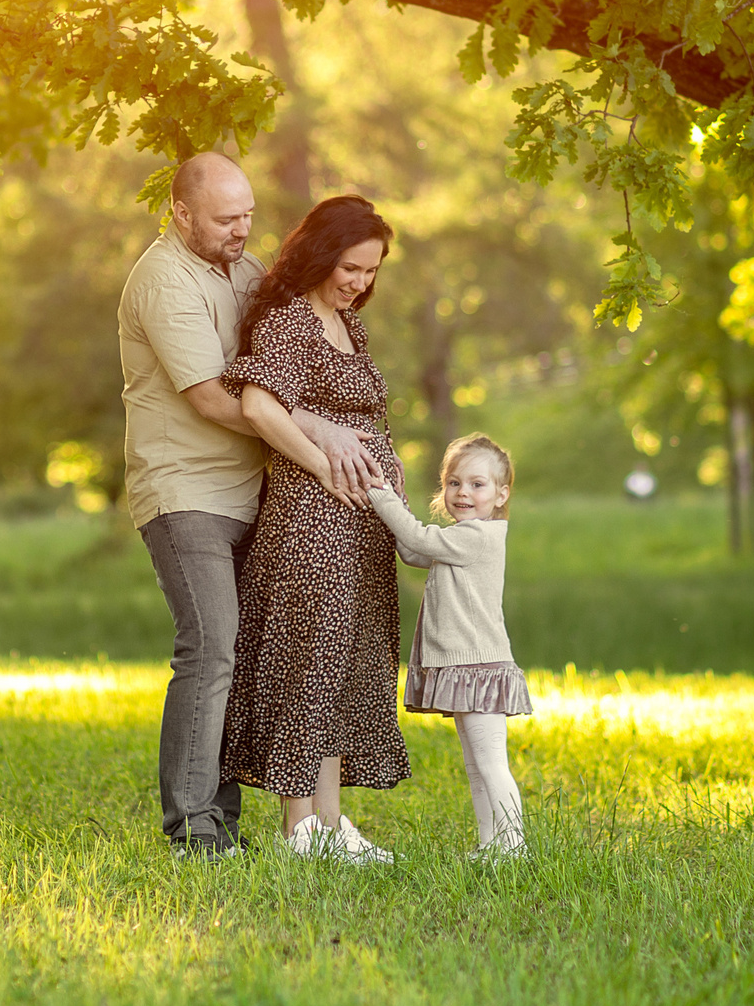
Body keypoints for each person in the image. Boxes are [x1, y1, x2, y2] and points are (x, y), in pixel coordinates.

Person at [119, 154, 380, 858]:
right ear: (181, 211)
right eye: (225, 219)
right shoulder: (163, 279)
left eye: (248, 216)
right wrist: (317, 431)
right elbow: (212, 396)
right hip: (186, 490)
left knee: (249, 650)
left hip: (257, 490)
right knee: (211, 645)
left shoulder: (244, 269)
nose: (241, 230)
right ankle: (194, 831)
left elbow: (286, 358)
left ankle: (231, 817)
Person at [219, 195, 410, 863]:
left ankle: (330, 825)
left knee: (342, 663)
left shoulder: (346, 325)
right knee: (308, 663)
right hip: (310, 524)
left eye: (371, 271)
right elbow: (261, 407)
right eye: (352, 266)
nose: (361, 281)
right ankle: (300, 828)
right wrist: (326, 466)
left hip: (357, 530)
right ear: (323, 253)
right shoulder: (291, 320)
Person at [368, 433, 531, 858]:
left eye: (478, 484)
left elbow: (419, 539)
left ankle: (514, 847)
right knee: (476, 768)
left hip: (479, 667)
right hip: (466, 667)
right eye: (454, 483)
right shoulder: (459, 539)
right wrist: (397, 501)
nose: (463, 493)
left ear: (501, 494)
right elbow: (412, 550)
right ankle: (491, 845)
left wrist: (380, 494)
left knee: (491, 765)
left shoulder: (479, 537)